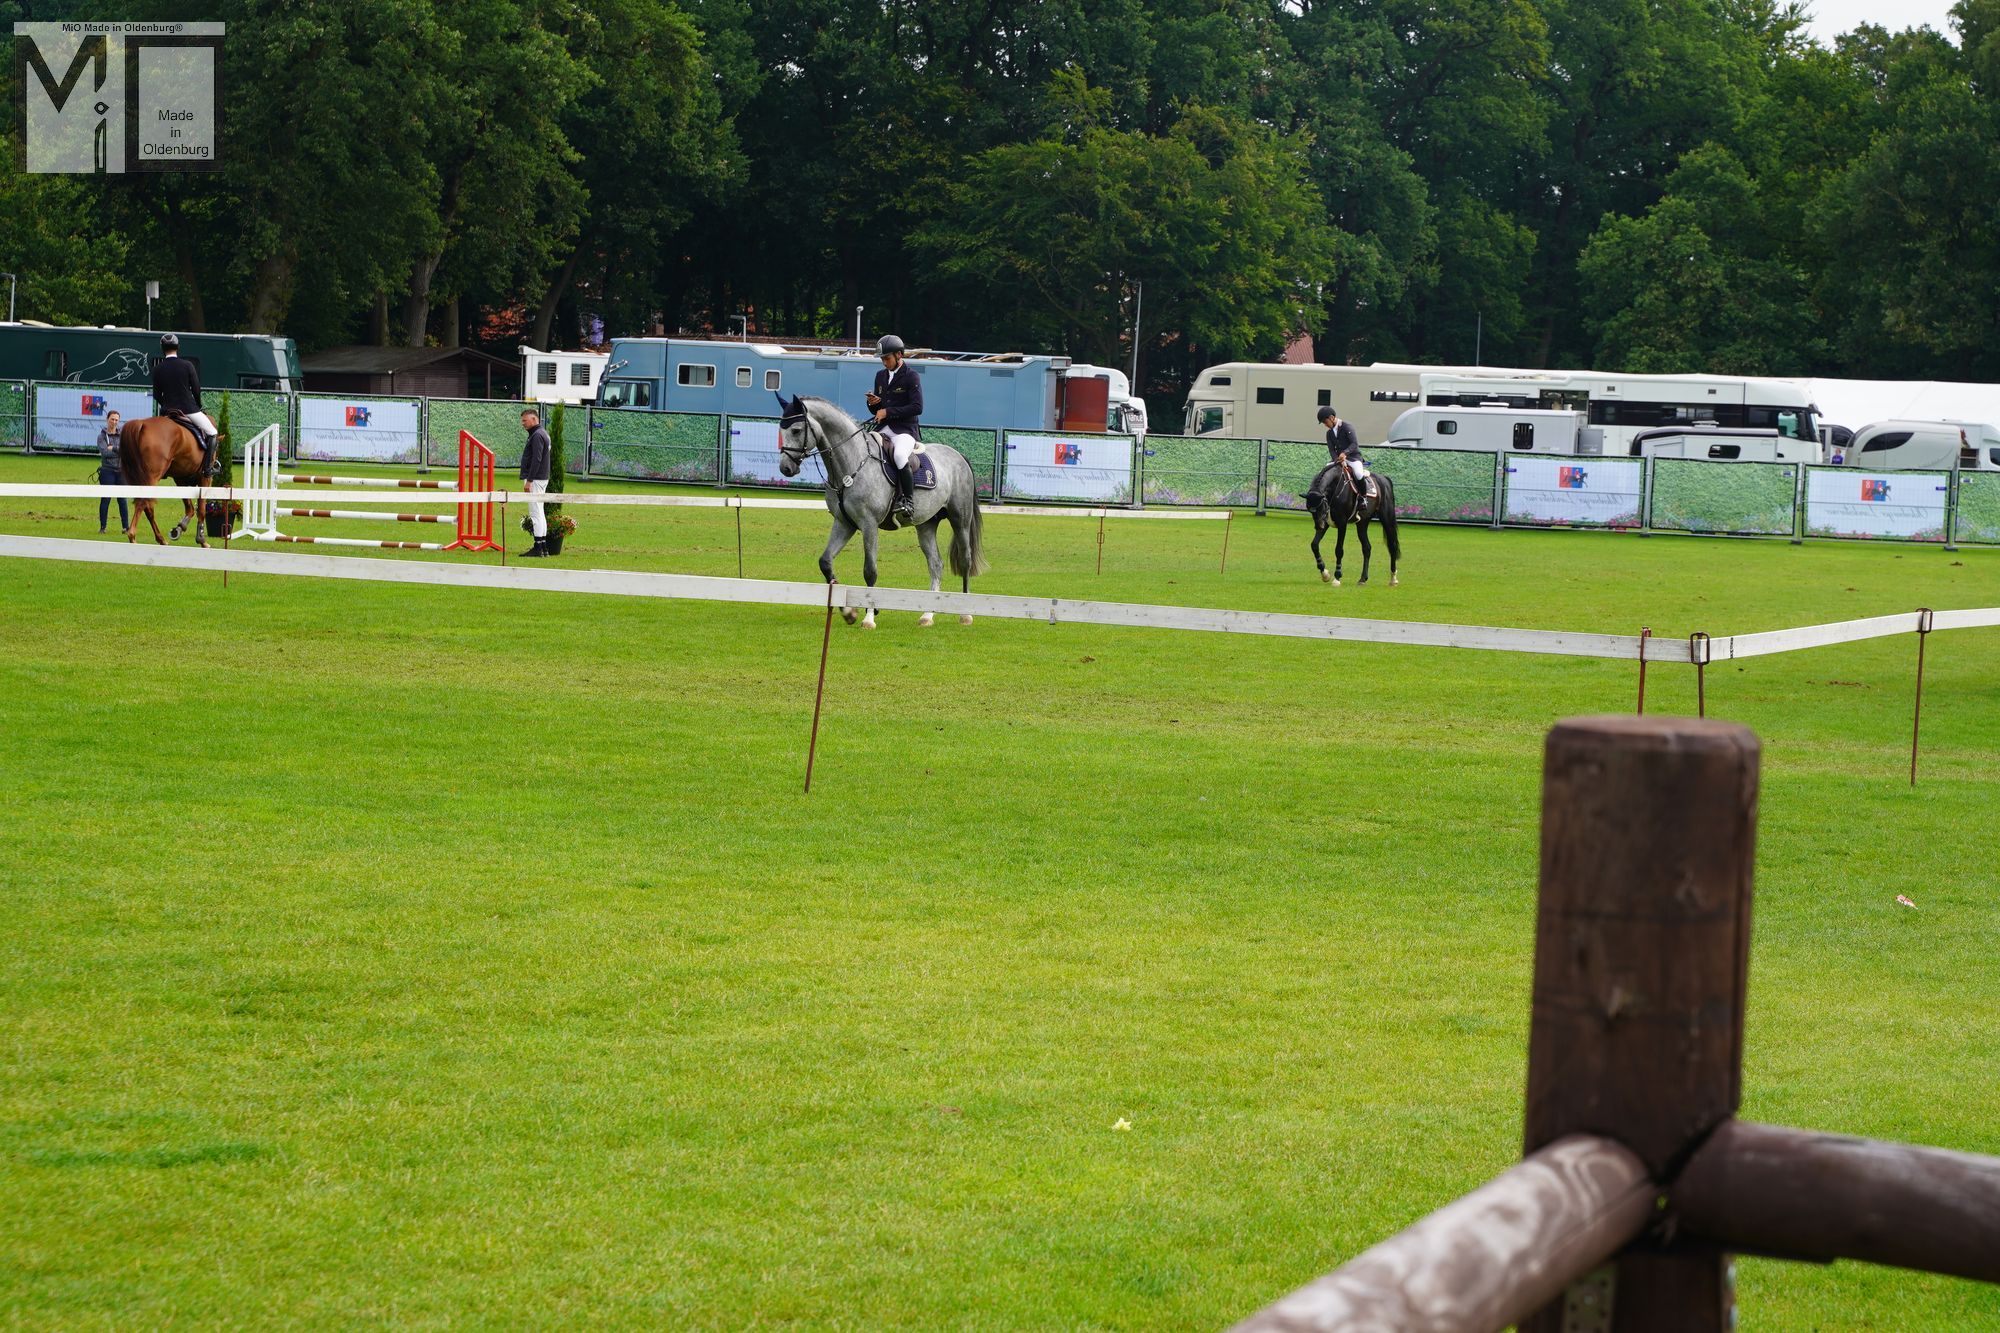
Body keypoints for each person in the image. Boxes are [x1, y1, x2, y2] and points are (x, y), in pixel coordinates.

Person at [865, 334, 923, 523]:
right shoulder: (880, 376)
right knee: (865, 448)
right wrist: (873, 404)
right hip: (884, 428)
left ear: (899, 355)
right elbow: (878, 409)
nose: (884, 362)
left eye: (887, 358)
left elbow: (917, 407)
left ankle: (908, 500)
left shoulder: (911, 376)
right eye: (882, 358)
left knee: (899, 456)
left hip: (905, 431)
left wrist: (887, 412)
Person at [150, 334, 220, 476]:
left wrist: (166, 406)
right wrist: (198, 406)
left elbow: (157, 395)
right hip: (189, 409)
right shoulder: (188, 365)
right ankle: (207, 469)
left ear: (162, 349)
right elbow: (196, 389)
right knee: (213, 432)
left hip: (167, 412)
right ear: (178, 347)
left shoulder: (157, 369)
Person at [1319, 404, 1371, 508]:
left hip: (1353, 458)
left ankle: (1363, 498)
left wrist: (1344, 453)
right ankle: (1325, 497)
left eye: (1325, 422)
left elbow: (1354, 444)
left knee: (1359, 473)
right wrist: (1336, 460)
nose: (1325, 425)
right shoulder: (1329, 434)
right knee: (1325, 471)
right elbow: (1332, 450)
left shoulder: (1347, 427)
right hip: (1338, 459)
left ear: (1332, 418)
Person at [519, 407, 552, 557]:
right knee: (540, 512)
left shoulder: (537, 435)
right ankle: (543, 547)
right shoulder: (542, 433)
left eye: (525, 421)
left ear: (534, 419)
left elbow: (536, 459)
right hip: (541, 477)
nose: (523, 424)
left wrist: (529, 480)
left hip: (536, 478)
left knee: (535, 513)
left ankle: (538, 547)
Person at [96, 410, 128, 534]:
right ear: (107, 419)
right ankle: (103, 527)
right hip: (107, 471)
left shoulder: (122, 435)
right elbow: (104, 453)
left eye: (116, 420)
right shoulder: (102, 436)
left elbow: (125, 451)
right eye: (112, 419)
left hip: (121, 471)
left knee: (122, 499)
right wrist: (118, 452)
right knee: (106, 499)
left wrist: (113, 448)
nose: (114, 422)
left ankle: (126, 527)